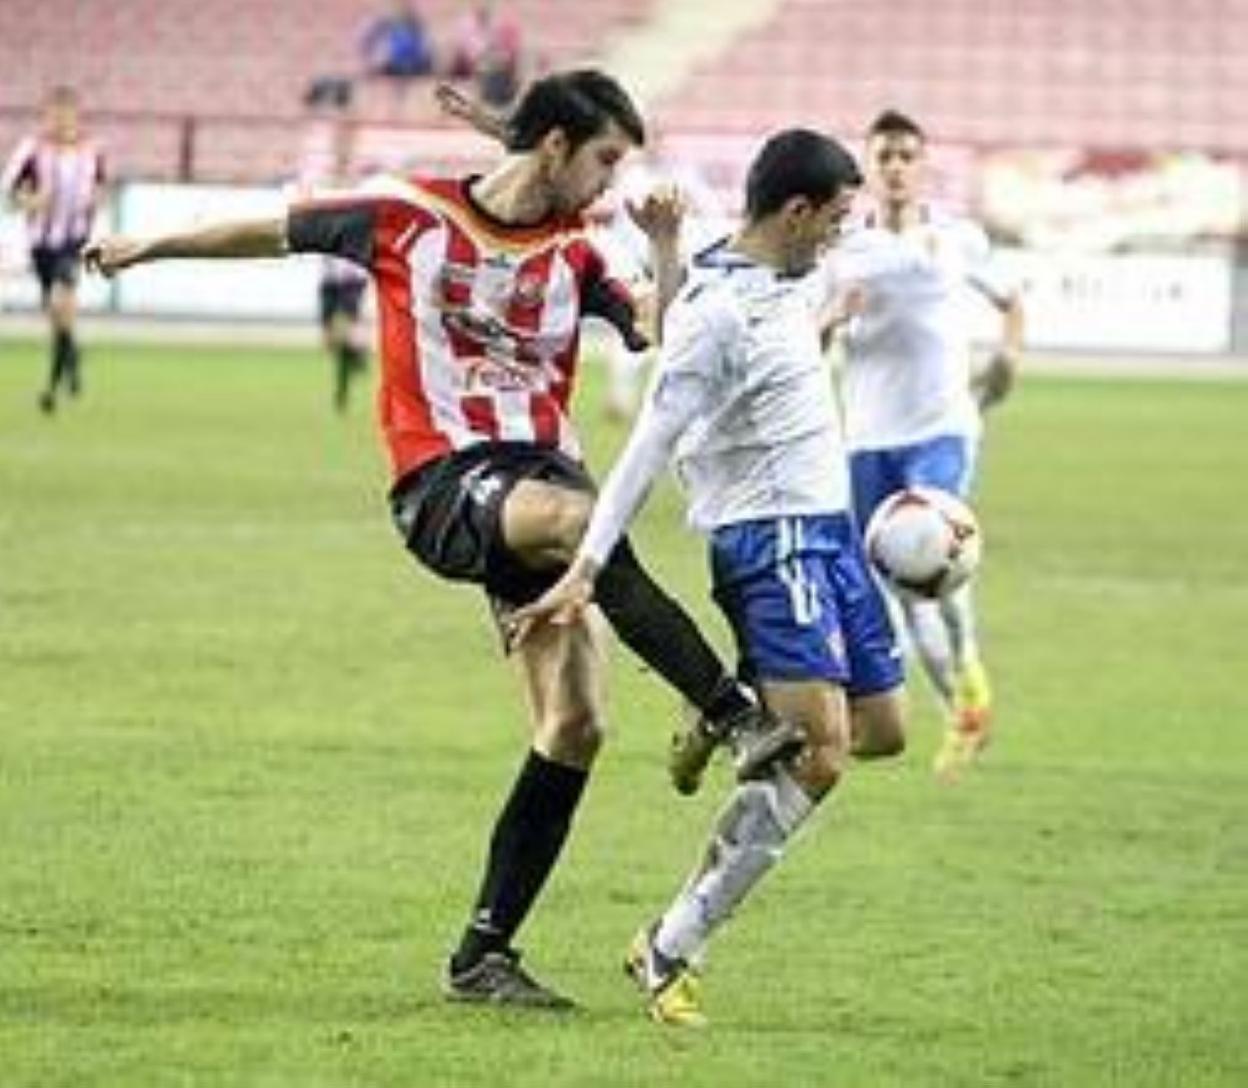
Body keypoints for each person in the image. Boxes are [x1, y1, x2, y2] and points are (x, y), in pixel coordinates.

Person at [83, 69, 797, 1011]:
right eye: (607, 159)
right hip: (448, 485)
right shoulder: (401, 213)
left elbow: (665, 333)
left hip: (543, 490)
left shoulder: (576, 257)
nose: (615, 181)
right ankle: (730, 711)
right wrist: (144, 245)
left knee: (576, 725)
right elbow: (270, 229)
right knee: (590, 521)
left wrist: (664, 246)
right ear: (554, 148)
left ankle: (482, 957)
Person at [512, 129, 907, 1028]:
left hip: (830, 532)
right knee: (821, 758)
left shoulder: (779, 276)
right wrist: (587, 564)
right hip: (769, 542)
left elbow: (706, 307)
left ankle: (714, 702)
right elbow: (651, 438)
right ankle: (670, 943)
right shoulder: (718, 312)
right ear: (796, 211)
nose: (839, 235)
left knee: (882, 730)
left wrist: (663, 251)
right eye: (834, 218)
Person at [823, 109, 1024, 781]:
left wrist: (1009, 359)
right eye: (884, 156)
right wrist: (833, 319)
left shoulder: (956, 239)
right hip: (867, 437)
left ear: (924, 163)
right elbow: (812, 339)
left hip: (942, 427)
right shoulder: (844, 248)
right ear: (868, 167)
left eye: (907, 154)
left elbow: (1010, 301)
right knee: (895, 588)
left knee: (926, 562)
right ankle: (961, 698)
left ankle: (963, 689)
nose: (897, 166)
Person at [2, 86, 107, 415]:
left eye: (67, 114)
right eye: (55, 114)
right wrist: (30, 201)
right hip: (41, 243)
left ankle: (50, 388)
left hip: (75, 241)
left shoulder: (92, 150)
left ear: (76, 116)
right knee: (56, 314)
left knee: (62, 303)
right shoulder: (32, 150)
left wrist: (95, 201)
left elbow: (100, 188)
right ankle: (72, 360)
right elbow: (9, 191)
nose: (61, 121)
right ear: (46, 116)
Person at [296, 92, 370, 412]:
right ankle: (354, 358)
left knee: (349, 330)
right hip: (329, 276)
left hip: (351, 275)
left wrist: (346, 132)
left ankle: (343, 390)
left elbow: (346, 159)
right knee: (328, 339)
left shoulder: (356, 193)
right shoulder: (326, 196)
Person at [361, 0, 436, 82]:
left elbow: (426, 47)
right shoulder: (384, 22)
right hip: (396, 66)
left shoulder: (415, 22)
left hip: (415, 66)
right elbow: (367, 41)